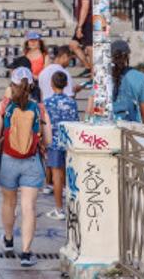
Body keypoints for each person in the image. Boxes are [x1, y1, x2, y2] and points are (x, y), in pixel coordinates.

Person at [0, 67, 51, 268]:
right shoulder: (39, 109)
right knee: (28, 207)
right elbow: (47, 140)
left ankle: (8, 240)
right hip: (32, 162)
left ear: (12, 85)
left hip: (8, 160)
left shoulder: (4, 106)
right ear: (31, 85)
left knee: (9, 202)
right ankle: (25, 253)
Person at [43, 71, 79, 220]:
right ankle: (72, 207)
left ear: (51, 84)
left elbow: (44, 124)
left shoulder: (47, 102)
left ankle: (59, 209)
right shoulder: (72, 102)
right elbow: (76, 121)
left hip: (54, 142)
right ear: (65, 84)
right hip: (69, 142)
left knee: (56, 176)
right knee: (68, 174)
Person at [87, 40, 144, 123]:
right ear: (127, 57)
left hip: (102, 129)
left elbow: (90, 110)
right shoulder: (138, 77)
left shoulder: (101, 77)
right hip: (129, 130)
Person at [68, 0, 93, 75]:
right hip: (84, 23)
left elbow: (85, 7)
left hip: (86, 23)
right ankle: (88, 67)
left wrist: (80, 26)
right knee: (73, 44)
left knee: (90, 48)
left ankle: (93, 72)